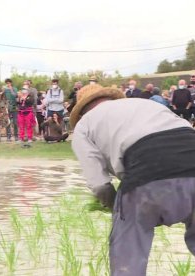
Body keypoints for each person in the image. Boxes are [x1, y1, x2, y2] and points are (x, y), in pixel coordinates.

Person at [70, 85, 195, 275]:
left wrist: (116, 207)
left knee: (128, 257)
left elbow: (99, 184)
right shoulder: (148, 105)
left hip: (146, 168)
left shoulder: (84, 125)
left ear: (82, 111)